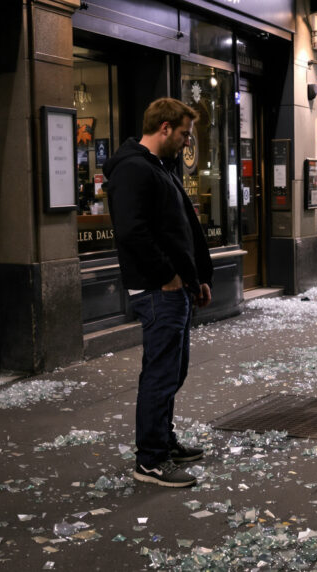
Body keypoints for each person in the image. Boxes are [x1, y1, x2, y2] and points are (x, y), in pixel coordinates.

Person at [105, 98, 214, 488]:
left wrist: (195, 276)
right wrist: (168, 277)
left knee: (172, 371)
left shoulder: (157, 168)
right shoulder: (134, 169)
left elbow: (178, 229)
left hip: (173, 287)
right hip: (158, 290)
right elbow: (133, 232)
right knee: (160, 374)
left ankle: (163, 443)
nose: (187, 142)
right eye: (185, 133)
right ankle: (150, 461)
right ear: (164, 128)